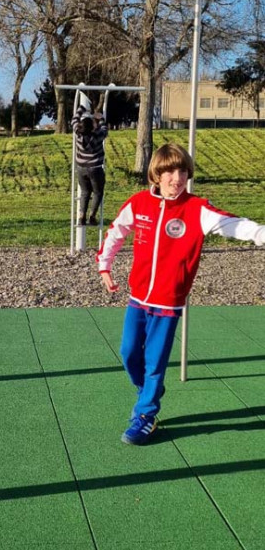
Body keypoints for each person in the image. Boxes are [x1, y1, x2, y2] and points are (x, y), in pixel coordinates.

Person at [97, 142, 265, 446]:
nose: (177, 178)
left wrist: (259, 233)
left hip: (168, 302)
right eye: (170, 172)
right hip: (138, 298)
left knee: (155, 361)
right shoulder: (139, 204)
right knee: (129, 352)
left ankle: (145, 414)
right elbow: (116, 232)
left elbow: (233, 224)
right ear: (156, 175)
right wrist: (104, 266)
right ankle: (148, 391)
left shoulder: (197, 209)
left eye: (183, 171)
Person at [71, 104, 108, 226]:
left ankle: (81, 216)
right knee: (98, 192)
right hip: (95, 168)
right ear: (92, 127)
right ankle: (92, 216)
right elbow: (104, 129)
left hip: (81, 168)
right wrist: (100, 118)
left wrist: (81, 109)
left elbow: (74, 120)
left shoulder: (78, 134)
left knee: (85, 192)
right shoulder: (98, 136)